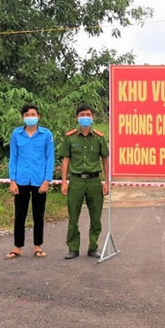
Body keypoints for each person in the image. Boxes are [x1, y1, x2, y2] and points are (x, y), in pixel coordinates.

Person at [59, 103, 109, 259]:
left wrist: (107, 182)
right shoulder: (70, 137)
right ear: (77, 118)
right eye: (82, 115)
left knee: (96, 217)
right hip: (76, 181)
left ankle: (93, 247)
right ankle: (73, 248)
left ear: (93, 117)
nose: (85, 118)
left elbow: (105, 160)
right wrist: (63, 182)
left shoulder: (99, 138)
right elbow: (66, 160)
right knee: (73, 216)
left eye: (88, 115)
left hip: (94, 181)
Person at [5, 103, 55, 260]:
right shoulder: (16, 134)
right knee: (20, 214)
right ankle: (17, 247)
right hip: (21, 180)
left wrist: (47, 180)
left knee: (38, 214)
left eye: (33, 114)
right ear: (23, 117)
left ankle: (38, 246)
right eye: (27, 115)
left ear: (39, 116)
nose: (30, 117)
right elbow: (13, 157)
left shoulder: (46, 135)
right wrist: (12, 180)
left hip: (39, 181)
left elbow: (50, 158)